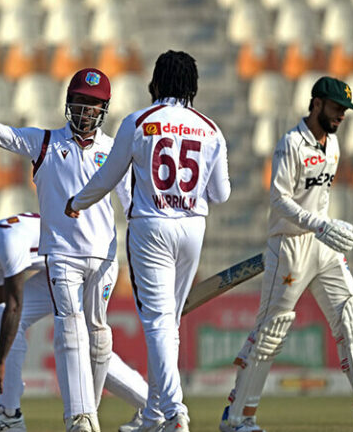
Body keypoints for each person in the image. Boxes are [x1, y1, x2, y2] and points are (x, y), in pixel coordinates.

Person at [216, 77, 353, 432]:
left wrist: (328, 227)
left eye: (344, 111)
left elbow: (318, 200)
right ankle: (238, 417)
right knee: (272, 330)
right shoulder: (290, 144)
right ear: (316, 104)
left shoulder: (332, 145)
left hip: (324, 246)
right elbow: (279, 199)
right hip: (289, 247)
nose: (341, 116)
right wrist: (317, 224)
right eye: (336, 108)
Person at [66, 50, 231, 432]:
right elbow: (221, 194)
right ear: (193, 86)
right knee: (168, 324)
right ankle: (155, 414)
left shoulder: (138, 121)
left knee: (157, 323)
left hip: (151, 226)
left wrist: (77, 202)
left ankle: (175, 412)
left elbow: (108, 177)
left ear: (155, 82)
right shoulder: (210, 128)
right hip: (193, 228)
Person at [0, 66, 130, 432]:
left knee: (98, 335)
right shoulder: (45, 142)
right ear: (69, 103)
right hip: (63, 256)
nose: (86, 111)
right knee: (70, 329)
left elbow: (130, 204)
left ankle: (91, 411)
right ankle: (77, 419)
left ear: (105, 110)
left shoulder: (114, 148)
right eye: (81, 103)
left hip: (104, 258)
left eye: (94, 105)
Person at [0, 214, 148, 432]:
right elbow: (4, 316)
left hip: (87, 263)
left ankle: (154, 406)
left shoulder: (8, 242)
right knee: (4, 315)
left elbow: (14, 308)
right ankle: (9, 414)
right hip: (63, 267)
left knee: (88, 350)